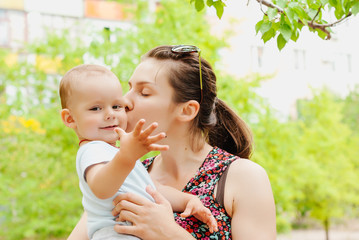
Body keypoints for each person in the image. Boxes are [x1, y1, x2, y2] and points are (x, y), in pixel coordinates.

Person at [69, 45, 276, 239]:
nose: (124, 101)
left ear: (187, 110)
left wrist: (169, 233)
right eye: (129, 88)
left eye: (144, 92)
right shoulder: (125, 174)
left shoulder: (243, 177)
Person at [59, 64, 218, 240]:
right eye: (96, 108)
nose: (110, 114)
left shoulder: (117, 156)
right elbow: (101, 188)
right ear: (70, 118)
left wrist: (187, 200)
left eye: (116, 106)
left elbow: (152, 189)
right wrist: (127, 156)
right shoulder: (92, 150)